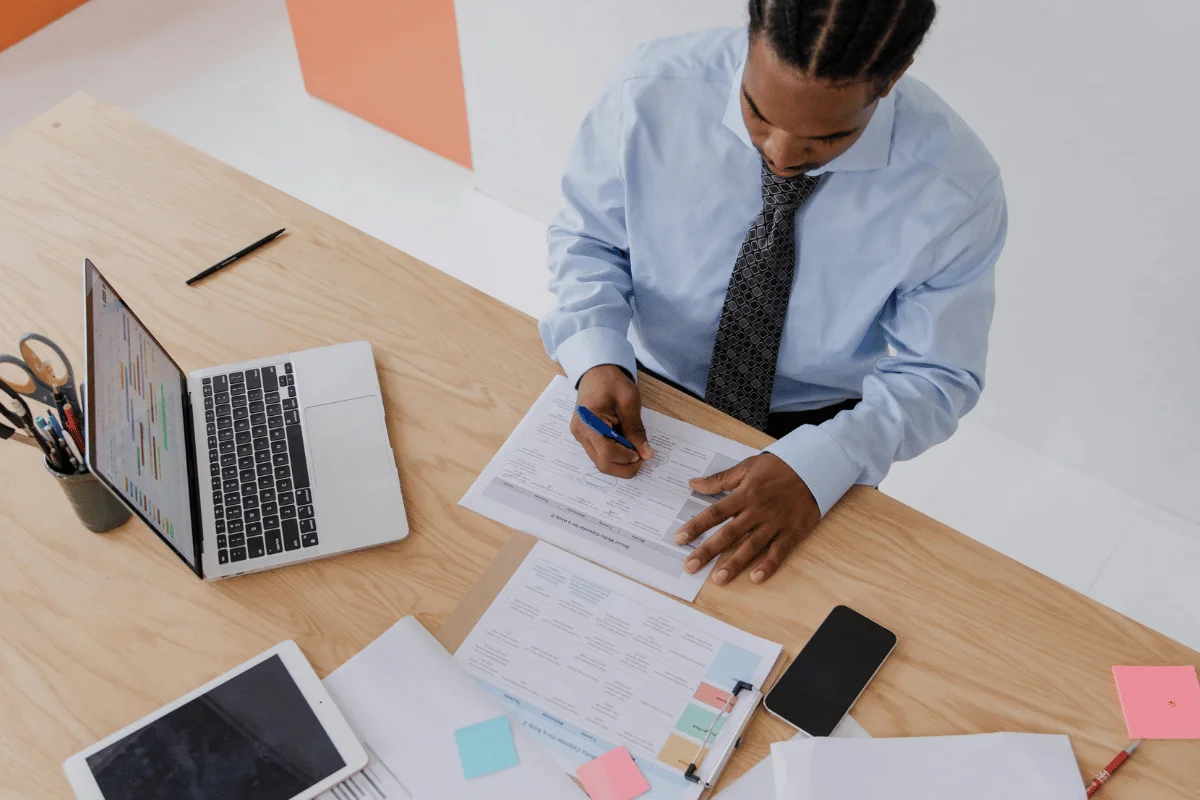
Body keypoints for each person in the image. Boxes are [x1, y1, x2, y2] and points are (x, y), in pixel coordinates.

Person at [539, 0, 1006, 588]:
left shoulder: (955, 188)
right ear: (750, 35)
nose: (781, 157)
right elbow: (589, 238)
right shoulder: (650, 89)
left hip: (820, 432)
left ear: (892, 78)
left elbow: (938, 375)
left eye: (829, 136)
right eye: (757, 114)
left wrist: (820, 467)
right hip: (645, 384)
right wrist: (596, 355)